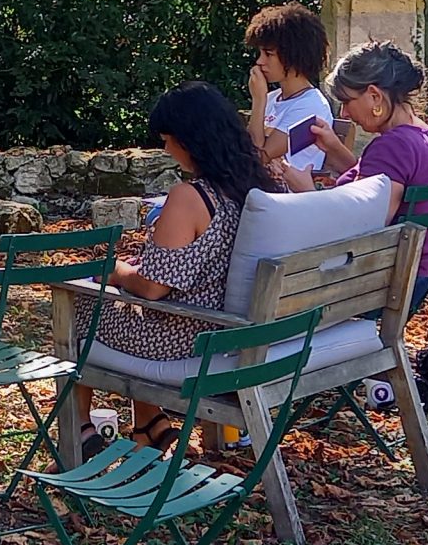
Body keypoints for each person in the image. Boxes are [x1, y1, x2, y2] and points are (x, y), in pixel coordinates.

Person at [91, 83, 284, 379]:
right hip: (245, 332)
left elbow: (154, 288)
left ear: (190, 140)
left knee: (83, 302)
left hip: (187, 337)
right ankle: (148, 424)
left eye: (168, 140)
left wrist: (114, 270)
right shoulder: (267, 186)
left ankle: (80, 423)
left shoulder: (191, 197)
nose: (166, 149)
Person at [271, 39, 428, 301]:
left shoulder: (394, 146)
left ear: (374, 95)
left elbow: (361, 224)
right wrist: (333, 148)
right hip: (415, 276)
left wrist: (305, 190)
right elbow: (376, 187)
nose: (346, 114)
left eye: (347, 101)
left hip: (377, 284)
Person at [244, 3, 334, 177]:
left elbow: (257, 159)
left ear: (293, 56)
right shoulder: (273, 98)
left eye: (268, 54)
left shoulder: (311, 107)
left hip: (288, 198)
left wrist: (258, 100)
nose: (260, 62)